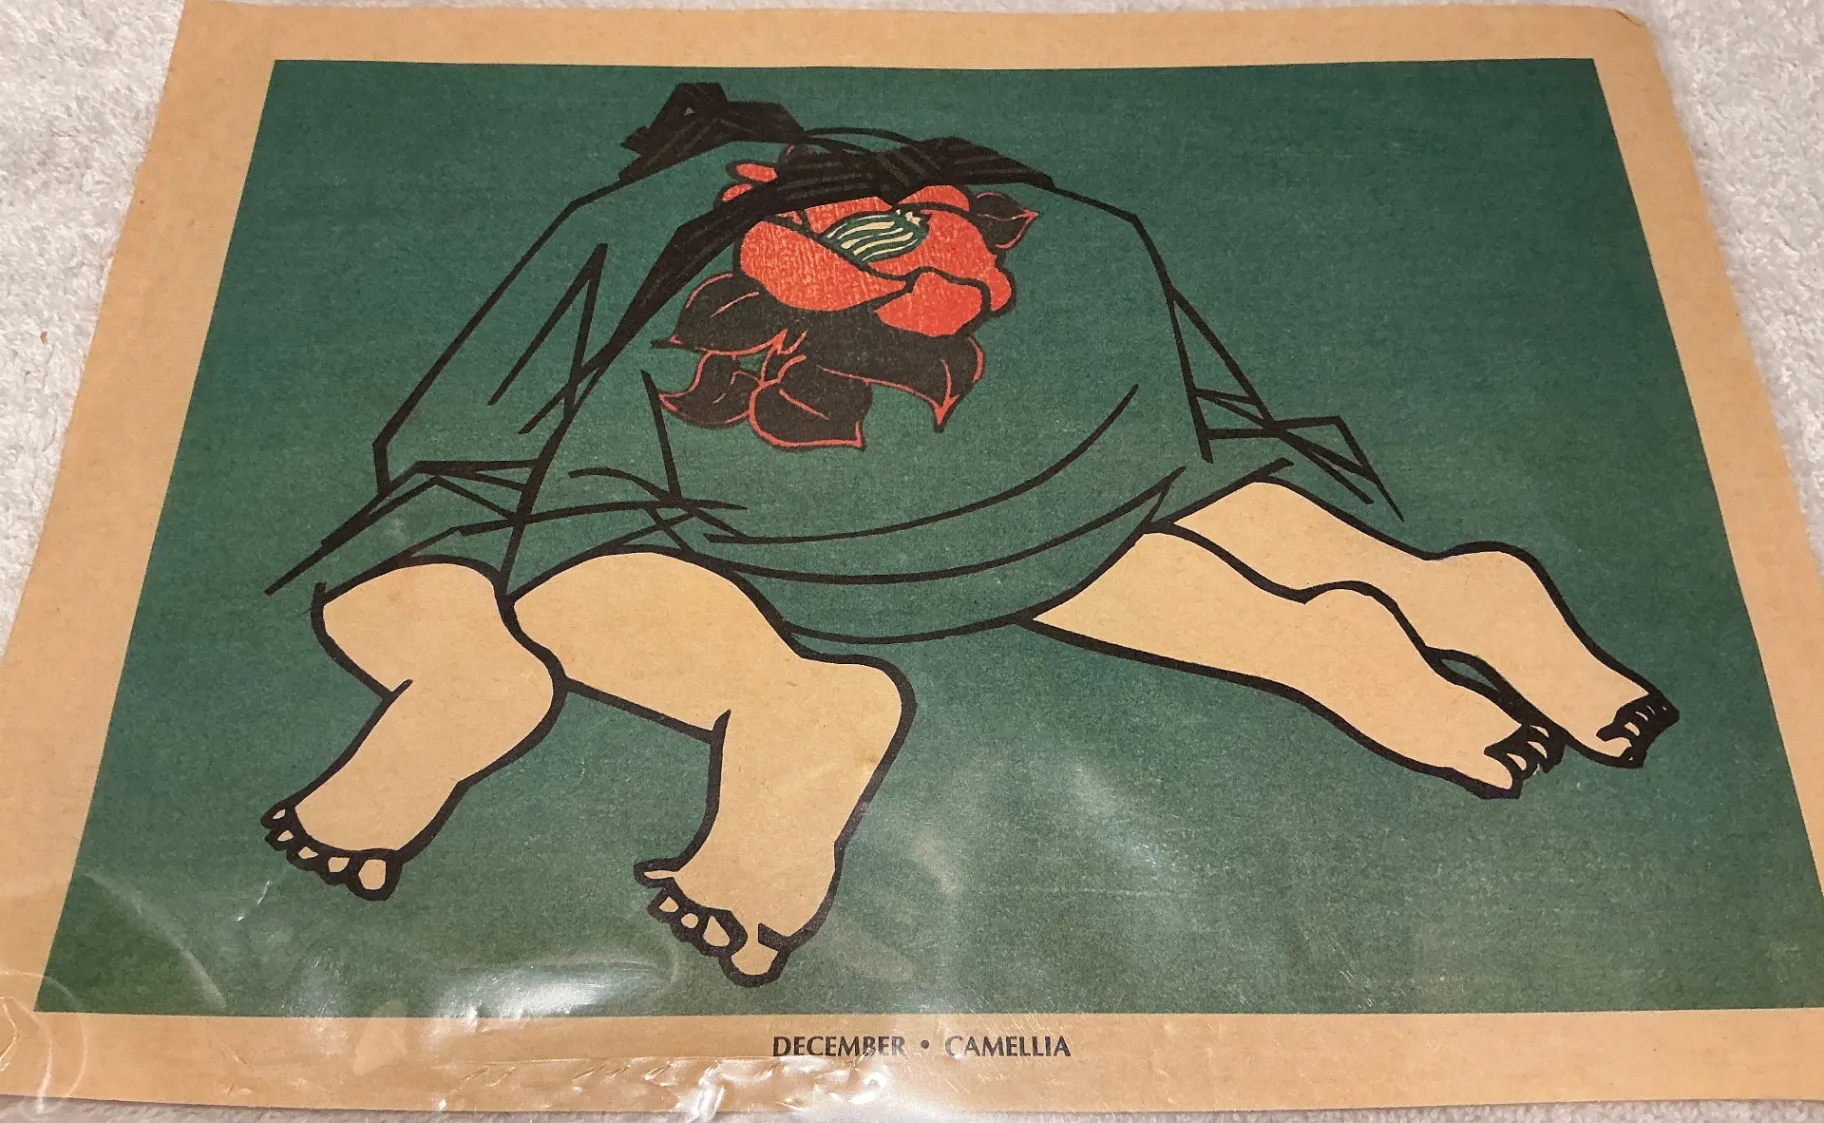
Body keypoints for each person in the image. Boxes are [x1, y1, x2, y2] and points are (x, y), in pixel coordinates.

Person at [261, 84, 1676, 986]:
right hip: (1035, 302)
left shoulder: (647, 215)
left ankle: (776, 697)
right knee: (1076, 507)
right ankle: (1399, 604)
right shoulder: (945, 184)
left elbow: (490, 428)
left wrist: (452, 536)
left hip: (768, 363)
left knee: (567, 552)